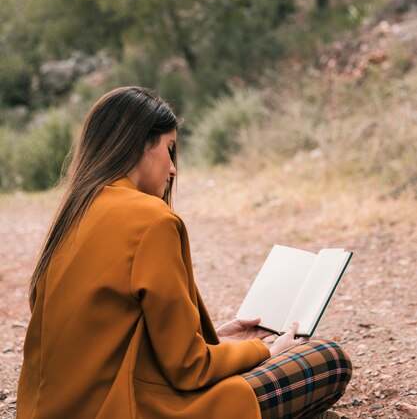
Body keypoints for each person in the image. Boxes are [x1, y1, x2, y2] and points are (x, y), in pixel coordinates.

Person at [17, 86, 352, 419]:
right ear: (141, 143)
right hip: (131, 409)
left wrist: (219, 340)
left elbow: (107, 344)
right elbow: (187, 368)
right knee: (327, 359)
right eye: (170, 148)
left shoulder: (73, 215)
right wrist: (264, 349)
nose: (174, 168)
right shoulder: (151, 219)